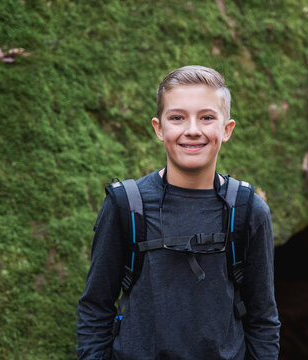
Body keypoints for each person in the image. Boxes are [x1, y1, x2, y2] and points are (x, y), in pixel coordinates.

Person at [77, 65, 280, 359]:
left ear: (226, 130)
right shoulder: (126, 205)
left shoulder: (248, 210)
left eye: (207, 117)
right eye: (177, 117)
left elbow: (263, 319)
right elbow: (95, 307)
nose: (193, 130)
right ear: (159, 128)